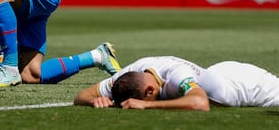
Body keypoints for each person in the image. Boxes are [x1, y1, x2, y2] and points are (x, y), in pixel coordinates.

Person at [74, 55, 279, 110]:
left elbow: (200, 104)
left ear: (149, 90)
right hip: (220, 73)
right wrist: (94, 100)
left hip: (252, 86)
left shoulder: (176, 76)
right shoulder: (129, 74)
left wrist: (147, 104)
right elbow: (82, 95)